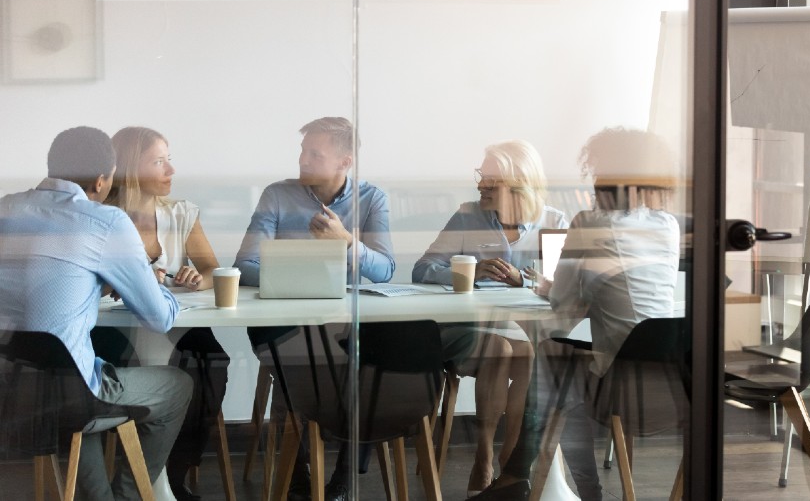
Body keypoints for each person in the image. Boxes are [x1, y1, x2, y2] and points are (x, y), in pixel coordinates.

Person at [470, 127, 681, 501]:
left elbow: (564, 308)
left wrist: (552, 294)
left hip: (618, 383)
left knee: (553, 361)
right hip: (670, 378)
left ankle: (550, 485)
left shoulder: (592, 222)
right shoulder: (667, 225)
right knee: (559, 364)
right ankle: (525, 480)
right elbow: (611, 287)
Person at [0, 126, 193, 500]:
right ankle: (129, 495)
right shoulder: (105, 221)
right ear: (103, 180)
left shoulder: (5, 207)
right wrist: (158, 287)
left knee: (68, 381)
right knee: (176, 386)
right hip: (69, 394)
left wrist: (94, 283)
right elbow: (158, 318)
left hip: (11, 387)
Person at [234, 116, 394, 501]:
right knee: (297, 359)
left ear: (345, 162)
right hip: (283, 322)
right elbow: (244, 266)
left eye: (314, 153)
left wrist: (346, 243)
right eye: (303, 151)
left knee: (371, 361)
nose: (303, 159)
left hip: (341, 325)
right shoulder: (277, 194)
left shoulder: (372, 199)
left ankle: (344, 476)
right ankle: (296, 472)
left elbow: (386, 271)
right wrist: (306, 272)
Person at [412, 140, 568, 495]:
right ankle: (484, 458)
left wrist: (525, 279)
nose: (480, 185)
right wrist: (468, 271)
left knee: (525, 351)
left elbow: (564, 288)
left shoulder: (554, 221)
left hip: (524, 331)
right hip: (469, 329)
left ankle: (512, 463)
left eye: (491, 180)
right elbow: (422, 269)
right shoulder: (468, 215)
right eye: (481, 176)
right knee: (501, 348)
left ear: (519, 184)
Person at [96, 126, 229, 501]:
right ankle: (139, 476)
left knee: (212, 363)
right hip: (117, 329)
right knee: (139, 370)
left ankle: (171, 475)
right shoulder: (100, 218)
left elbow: (212, 272)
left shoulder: (182, 214)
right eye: (159, 161)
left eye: (170, 160)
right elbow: (89, 284)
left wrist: (193, 277)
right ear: (129, 168)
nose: (170, 170)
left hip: (175, 322)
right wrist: (125, 283)